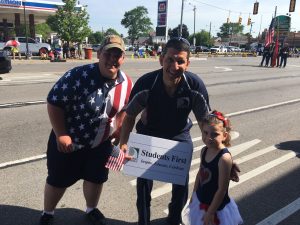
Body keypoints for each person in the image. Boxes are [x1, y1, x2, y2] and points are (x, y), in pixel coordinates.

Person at [39, 35, 133, 225]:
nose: (112, 59)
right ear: (99, 54)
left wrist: (118, 131)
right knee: (58, 179)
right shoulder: (77, 75)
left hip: (100, 143)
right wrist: (62, 134)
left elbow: (124, 109)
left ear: (123, 58)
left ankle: (91, 209)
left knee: (96, 178)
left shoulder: (127, 83)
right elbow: (54, 103)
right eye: (108, 53)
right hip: (70, 142)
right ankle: (47, 213)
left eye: (118, 54)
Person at [119, 37, 211, 225]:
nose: (174, 66)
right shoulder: (147, 83)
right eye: (170, 59)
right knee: (143, 185)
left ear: (188, 64)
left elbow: (205, 122)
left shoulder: (194, 85)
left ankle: (174, 218)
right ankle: (143, 220)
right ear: (161, 59)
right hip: (149, 135)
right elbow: (129, 116)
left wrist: (218, 153)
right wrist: (123, 143)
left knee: (181, 183)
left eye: (180, 61)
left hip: (179, 136)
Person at [182, 110, 243, 225]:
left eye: (214, 134)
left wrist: (210, 212)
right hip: (201, 200)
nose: (209, 137)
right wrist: (194, 195)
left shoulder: (224, 158)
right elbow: (200, 174)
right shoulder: (204, 151)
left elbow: (222, 189)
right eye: (205, 132)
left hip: (216, 208)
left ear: (224, 136)